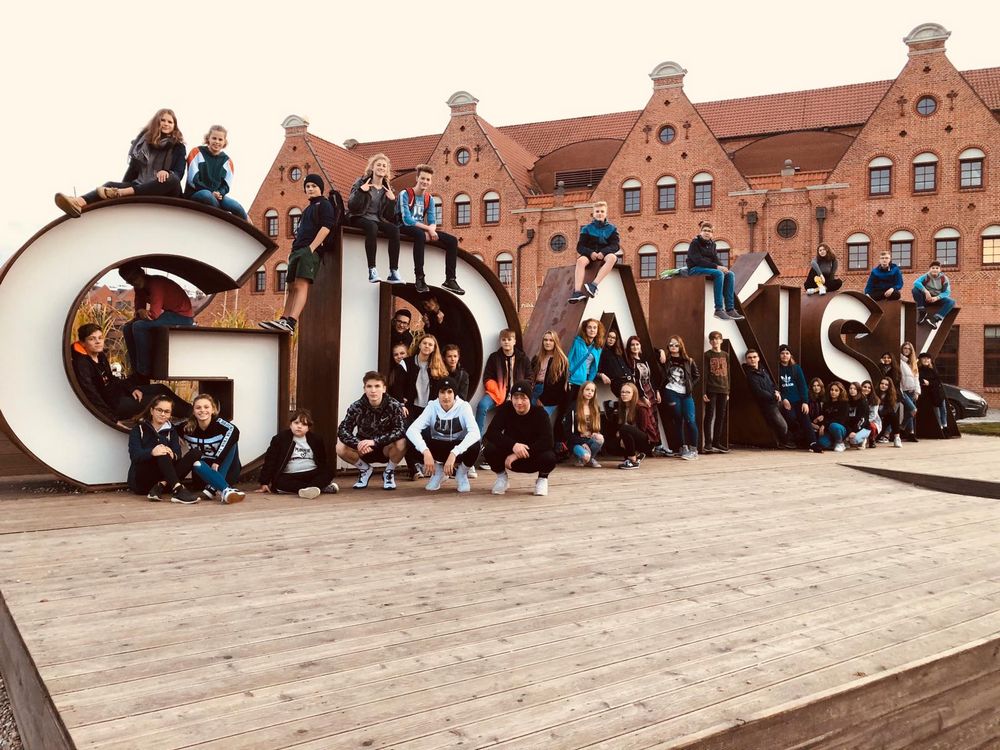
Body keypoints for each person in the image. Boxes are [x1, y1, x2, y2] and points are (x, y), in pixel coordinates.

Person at [55, 109, 186, 218]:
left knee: (172, 179)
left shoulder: (178, 147)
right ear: (156, 122)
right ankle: (77, 203)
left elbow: (179, 173)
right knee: (109, 185)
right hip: (141, 185)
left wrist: (166, 172)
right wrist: (121, 189)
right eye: (163, 120)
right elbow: (133, 170)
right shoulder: (143, 144)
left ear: (174, 126)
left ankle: (122, 192)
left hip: (165, 189)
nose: (166, 124)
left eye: (170, 122)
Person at [259, 173, 336, 332]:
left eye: (314, 186)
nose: (310, 189)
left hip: (309, 251)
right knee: (291, 287)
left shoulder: (324, 205)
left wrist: (311, 248)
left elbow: (326, 227)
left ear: (320, 188)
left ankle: (292, 322)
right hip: (297, 251)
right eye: (307, 186)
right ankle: (284, 319)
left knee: (301, 285)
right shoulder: (307, 208)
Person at [72, 323, 191, 424]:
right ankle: (192, 416)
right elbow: (92, 396)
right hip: (114, 405)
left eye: (100, 338)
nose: (98, 342)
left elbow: (112, 379)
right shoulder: (82, 364)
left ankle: (191, 411)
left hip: (118, 393)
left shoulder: (100, 356)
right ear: (83, 343)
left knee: (160, 388)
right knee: (158, 400)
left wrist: (131, 388)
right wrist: (112, 419)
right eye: (92, 339)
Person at [119, 262, 195, 381]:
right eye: (129, 281)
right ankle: (135, 370)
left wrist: (141, 312)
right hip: (168, 314)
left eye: (135, 278)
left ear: (142, 273)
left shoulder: (156, 284)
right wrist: (139, 312)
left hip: (182, 316)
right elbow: (139, 310)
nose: (134, 282)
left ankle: (143, 371)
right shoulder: (139, 288)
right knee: (128, 328)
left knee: (139, 326)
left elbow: (153, 314)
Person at [396, 164, 464, 295]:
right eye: (422, 178)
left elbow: (433, 220)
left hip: (420, 228)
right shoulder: (405, 194)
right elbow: (407, 220)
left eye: (428, 179)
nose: (425, 182)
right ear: (417, 178)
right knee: (420, 235)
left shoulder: (429, 199)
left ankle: (450, 279)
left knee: (452, 240)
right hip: (403, 226)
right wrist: (428, 229)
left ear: (431, 181)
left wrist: (432, 229)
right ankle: (419, 278)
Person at [406, 378, 481, 492]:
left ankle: (461, 474)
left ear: (455, 394)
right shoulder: (432, 406)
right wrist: (425, 451)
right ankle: (439, 471)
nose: (446, 396)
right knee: (411, 440)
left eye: (449, 392)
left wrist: (454, 453)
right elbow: (412, 430)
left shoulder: (464, 407)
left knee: (475, 444)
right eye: (442, 392)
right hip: (438, 446)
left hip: (457, 449)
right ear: (438, 394)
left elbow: (475, 433)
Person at [390, 335, 449, 479]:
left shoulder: (436, 365)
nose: (427, 346)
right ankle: (413, 467)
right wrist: (401, 403)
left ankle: (426, 463)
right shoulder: (407, 363)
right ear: (419, 345)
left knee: (429, 435)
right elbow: (397, 386)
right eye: (425, 343)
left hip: (428, 408)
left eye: (430, 344)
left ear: (434, 348)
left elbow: (442, 388)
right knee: (409, 434)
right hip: (411, 407)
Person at [336, 372, 408, 489]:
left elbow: (400, 430)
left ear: (384, 389)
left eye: (377, 386)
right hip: (364, 449)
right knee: (340, 447)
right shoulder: (356, 406)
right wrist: (357, 443)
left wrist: (375, 441)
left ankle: (389, 472)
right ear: (364, 389)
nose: (373, 390)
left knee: (402, 442)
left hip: (385, 448)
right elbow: (343, 430)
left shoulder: (394, 405)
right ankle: (365, 469)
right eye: (369, 386)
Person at [483, 381, 556, 497]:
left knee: (549, 457)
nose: (519, 402)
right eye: (515, 398)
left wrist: (517, 454)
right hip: (509, 457)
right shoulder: (506, 409)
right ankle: (502, 478)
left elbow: (548, 441)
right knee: (489, 449)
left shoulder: (540, 413)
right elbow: (491, 433)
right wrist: (514, 445)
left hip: (532, 456)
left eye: (523, 398)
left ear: (529, 399)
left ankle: (542, 479)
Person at [126, 396, 201, 505]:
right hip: (142, 482)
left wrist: (172, 454)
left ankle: (161, 485)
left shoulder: (171, 431)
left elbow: (178, 454)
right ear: (152, 411)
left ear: (170, 414)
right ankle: (178, 490)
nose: (163, 414)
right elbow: (135, 456)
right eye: (159, 410)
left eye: (167, 411)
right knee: (161, 452)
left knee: (195, 453)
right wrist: (152, 452)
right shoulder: (139, 429)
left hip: (167, 480)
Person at [259, 408, 339, 498]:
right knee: (279, 483)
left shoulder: (316, 440)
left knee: (328, 472)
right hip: (290, 475)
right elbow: (270, 460)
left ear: (308, 428)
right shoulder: (280, 439)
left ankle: (310, 489)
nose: (299, 426)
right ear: (290, 425)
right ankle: (318, 488)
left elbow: (322, 461)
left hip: (311, 473)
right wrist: (264, 482)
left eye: (304, 424)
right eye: (296, 423)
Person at [348, 153, 402, 284]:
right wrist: (361, 191)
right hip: (359, 216)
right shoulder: (361, 182)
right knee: (372, 227)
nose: (381, 167)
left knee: (394, 230)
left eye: (384, 166)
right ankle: (372, 270)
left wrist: (392, 201)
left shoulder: (387, 188)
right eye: (378, 165)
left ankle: (393, 271)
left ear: (387, 170)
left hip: (378, 219)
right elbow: (352, 206)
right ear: (372, 167)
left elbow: (389, 216)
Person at [183, 394, 247, 504]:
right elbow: (170, 428)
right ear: (193, 411)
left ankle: (215, 487)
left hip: (225, 470)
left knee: (232, 442)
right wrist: (175, 436)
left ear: (213, 409)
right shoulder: (186, 427)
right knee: (195, 462)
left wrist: (218, 460)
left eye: (206, 407)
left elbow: (235, 431)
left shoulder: (220, 424)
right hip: (203, 474)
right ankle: (225, 489)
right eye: (198, 407)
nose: (202, 410)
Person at [184, 125, 247, 220]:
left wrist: (219, 193)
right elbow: (192, 180)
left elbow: (226, 185)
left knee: (236, 206)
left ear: (224, 142)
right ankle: (223, 218)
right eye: (214, 138)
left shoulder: (227, 161)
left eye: (220, 139)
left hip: (217, 196)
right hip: (197, 192)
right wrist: (211, 192)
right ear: (208, 138)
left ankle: (247, 222)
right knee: (206, 195)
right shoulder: (196, 152)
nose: (217, 142)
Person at [685, 221, 745, 321]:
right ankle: (718, 309)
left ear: (712, 234)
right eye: (704, 230)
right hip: (695, 269)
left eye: (709, 231)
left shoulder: (712, 244)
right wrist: (717, 267)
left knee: (730, 274)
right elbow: (698, 260)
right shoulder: (695, 243)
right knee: (719, 273)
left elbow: (715, 259)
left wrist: (723, 267)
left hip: (708, 268)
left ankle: (730, 309)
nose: (707, 233)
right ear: (701, 232)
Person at [475, 329, 531, 434]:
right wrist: (498, 392)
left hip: (517, 394)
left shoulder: (523, 358)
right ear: (500, 341)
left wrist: (520, 392)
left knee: (514, 418)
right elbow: (487, 377)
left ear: (514, 341)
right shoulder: (494, 357)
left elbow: (529, 378)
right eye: (503, 339)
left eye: (509, 339)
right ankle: (477, 438)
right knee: (482, 405)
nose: (506, 342)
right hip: (498, 393)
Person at [568, 201, 622, 303]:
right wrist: (590, 253)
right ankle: (577, 292)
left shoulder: (612, 229)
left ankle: (593, 285)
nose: (599, 213)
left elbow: (615, 245)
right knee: (580, 261)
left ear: (606, 213)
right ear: (593, 214)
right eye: (597, 211)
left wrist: (603, 252)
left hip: (605, 254)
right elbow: (580, 246)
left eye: (602, 211)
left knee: (613, 258)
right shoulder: (586, 229)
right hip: (589, 254)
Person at [625, 336, 670, 457]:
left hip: (650, 391)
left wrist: (657, 391)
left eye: (637, 344)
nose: (635, 347)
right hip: (641, 393)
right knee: (647, 421)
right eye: (632, 345)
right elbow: (635, 381)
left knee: (654, 419)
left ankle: (658, 445)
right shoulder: (629, 362)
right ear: (629, 347)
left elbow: (651, 378)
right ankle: (649, 446)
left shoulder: (644, 360)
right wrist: (642, 396)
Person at [743, 349, 793, 448]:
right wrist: (773, 397)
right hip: (768, 405)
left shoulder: (763, 370)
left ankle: (793, 440)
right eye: (749, 358)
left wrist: (777, 391)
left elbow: (772, 384)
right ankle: (785, 442)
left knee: (791, 417)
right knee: (783, 426)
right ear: (746, 360)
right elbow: (758, 392)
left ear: (758, 358)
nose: (752, 359)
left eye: (754, 357)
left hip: (776, 400)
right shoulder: (750, 375)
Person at [661, 335, 701, 460]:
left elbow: (697, 376)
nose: (673, 347)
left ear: (680, 346)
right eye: (671, 345)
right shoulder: (666, 360)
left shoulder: (689, 361)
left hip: (686, 395)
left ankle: (694, 450)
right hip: (671, 392)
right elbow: (654, 351)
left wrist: (690, 386)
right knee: (678, 420)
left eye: (676, 345)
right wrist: (661, 351)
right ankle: (682, 448)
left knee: (690, 420)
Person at [777, 345, 820, 451]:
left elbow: (802, 386)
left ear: (790, 355)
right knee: (791, 418)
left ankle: (813, 443)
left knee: (805, 419)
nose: (785, 355)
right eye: (782, 353)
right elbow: (776, 386)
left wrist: (805, 402)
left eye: (787, 353)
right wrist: (783, 399)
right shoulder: (777, 368)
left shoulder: (796, 368)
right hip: (787, 401)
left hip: (799, 401)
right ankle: (799, 440)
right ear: (779, 355)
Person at [615, 381, 657, 470]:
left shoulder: (641, 408)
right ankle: (635, 456)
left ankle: (633, 459)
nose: (624, 394)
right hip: (629, 436)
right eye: (622, 392)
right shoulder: (622, 407)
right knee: (612, 443)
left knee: (624, 428)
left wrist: (623, 433)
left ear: (634, 394)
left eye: (628, 392)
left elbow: (642, 429)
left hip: (646, 441)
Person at [563, 381, 604, 467]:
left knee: (600, 438)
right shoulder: (573, 407)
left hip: (589, 439)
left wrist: (596, 433)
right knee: (585, 456)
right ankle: (583, 457)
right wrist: (582, 443)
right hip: (576, 441)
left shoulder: (595, 408)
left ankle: (591, 459)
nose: (590, 392)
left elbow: (598, 428)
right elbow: (568, 432)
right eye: (587, 389)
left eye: (592, 391)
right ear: (582, 391)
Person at [530, 330, 569, 418]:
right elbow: (529, 375)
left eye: (551, 340)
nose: (547, 342)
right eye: (545, 340)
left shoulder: (561, 361)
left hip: (549, 394)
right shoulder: (537, 358)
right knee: (529, 419)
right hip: (534, 390)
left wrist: (543, 399)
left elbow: (559, 385)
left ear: (556, 342)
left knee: (541, 420)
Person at [702, 331, 730, 453]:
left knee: (720, 416)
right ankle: (708, 443)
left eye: (717, 339)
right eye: (712, 339)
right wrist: (704, 391)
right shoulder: (707, 355)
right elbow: (705, 374)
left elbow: (728, 374)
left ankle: (716, 442)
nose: (715, 341)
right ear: (710, 342)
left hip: (723, 389)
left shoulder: (725, 355)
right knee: (709, 415)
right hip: (711, 389)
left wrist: (728, 391)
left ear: (721, 340)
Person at [567, 319, 605, 405]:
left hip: (586, 382)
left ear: (598, 330)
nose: (592, 330)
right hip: (573, 380)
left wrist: (590, 381)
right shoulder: (577, 342)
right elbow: (568, 359)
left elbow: (594, 367)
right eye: (589, 327)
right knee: (568, 406)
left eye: (594, 328)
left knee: (580, 407)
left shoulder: (597, 348)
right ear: (585, 329)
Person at [912, 261, 955, 329]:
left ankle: (935, 319)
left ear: (940, 270)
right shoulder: (926, 276)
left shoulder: (944, 279)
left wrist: (937, 297)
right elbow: (916, 282)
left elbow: (947, 292)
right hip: (926, 298)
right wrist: (926, 292)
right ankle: (922, 312)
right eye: (933, 268)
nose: (935, 269)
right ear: (930, 269)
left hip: (936, 298)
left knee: (951, 302)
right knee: (915, 289)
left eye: (937, 268)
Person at [917, 352, 948, 433]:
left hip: (938, 393)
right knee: (937, 412)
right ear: (920, 360)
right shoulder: (918, 370)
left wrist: (929, 383)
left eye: (928, 358)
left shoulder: (933, 369)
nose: (926, 360)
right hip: (929, 394)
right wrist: (928, 383)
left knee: (943, 410)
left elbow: (938, 380)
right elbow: (920, 380)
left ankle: (945, 426)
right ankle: (940, 428)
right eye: (924, 358)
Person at [596, 329, 630, 397]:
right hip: (617, 383)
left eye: (614, 338)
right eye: (609, 337)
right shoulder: (601, 352)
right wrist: (601, 375)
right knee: (626, 399)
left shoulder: (618, 351)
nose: (611, 339)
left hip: (629, 380)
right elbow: (596, 369)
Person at [817, 381, 849, 452]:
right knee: (821, 443)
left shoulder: (844, 404)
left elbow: (841, 420)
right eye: (832, 390)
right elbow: (824, 417)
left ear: (840, 392)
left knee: (834, 425)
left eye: (836, 390)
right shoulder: (826, 403)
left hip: (840, 429)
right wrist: (822, 423)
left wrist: (825, 425)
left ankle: (840, 443)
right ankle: (834, 443)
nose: (833, 392)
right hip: (829, 430)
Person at [898, 342, 921, 441]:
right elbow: (898, 377)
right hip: (903, 391)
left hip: (912, 391)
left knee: (910, 412)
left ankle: (911, 434)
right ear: (902, 349)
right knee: (913, 410)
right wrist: (900, 390)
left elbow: (916, 378)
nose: (907, 350)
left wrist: (917, 391)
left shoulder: (913, 363)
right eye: (905, 348)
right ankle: (902, 427)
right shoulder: (899, 361)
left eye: (909, 349)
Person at [875, 377, 904, 448]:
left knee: (893, 414)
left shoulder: (891, 396)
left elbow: (888, 411)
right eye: (882, 383)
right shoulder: (874, 394)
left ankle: (897, 438)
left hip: (882, 422)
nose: (883, 386)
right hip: (873, 420)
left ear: (889, 386)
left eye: (886, 385)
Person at [844, 382, 872, 449]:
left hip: (863, 427)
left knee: (854, 440)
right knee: (849, 438)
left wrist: (854, 431)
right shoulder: (847, 401)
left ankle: (864, 440)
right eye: (850, 388)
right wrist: (849, 432)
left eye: (855, 389)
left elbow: (862, 420)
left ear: (858, 390)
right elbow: (845, 418)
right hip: (850, 428)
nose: (852, 390)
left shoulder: (863, 402)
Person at [860, 380, 882, 448]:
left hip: (872, 421)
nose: (867, 389)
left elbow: (873, 415)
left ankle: (872, 439)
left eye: (869, 388)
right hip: (860, 420)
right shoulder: (857, 398)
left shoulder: (875, 400)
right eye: (865, 387)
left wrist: (864, 422)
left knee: (871, 426)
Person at [807, 377, 827, 453]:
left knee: (823, 442)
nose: (816, 388)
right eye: (814, 386)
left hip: (821, 425)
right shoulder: (808, 399)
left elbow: (828, 414)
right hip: (810, 424)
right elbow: (804, 415)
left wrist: (823, 417)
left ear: (821, 386)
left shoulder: (825, 399)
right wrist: (811, 424)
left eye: (818, 385)